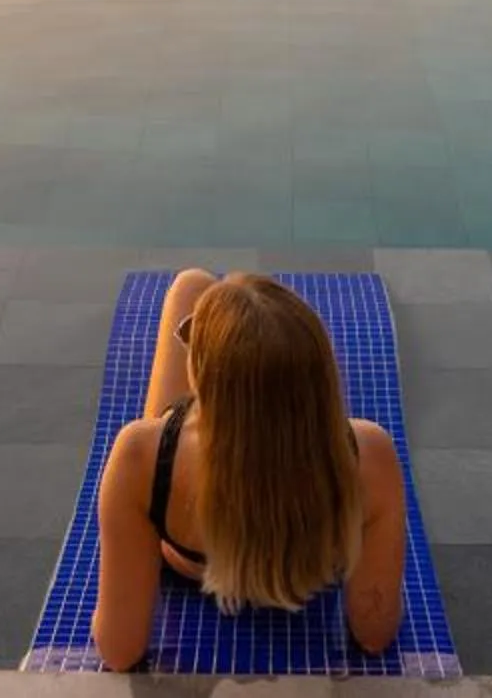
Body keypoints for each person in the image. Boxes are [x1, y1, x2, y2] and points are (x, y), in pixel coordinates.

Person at [91, 270, 406, 672]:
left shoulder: (141, 455)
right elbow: (373, 634)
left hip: (200, 564)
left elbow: (119, 651)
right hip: (309, 569)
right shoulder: (369, 454)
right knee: (208, 292)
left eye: (192, 342)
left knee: (191, 285)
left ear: (206, 380)